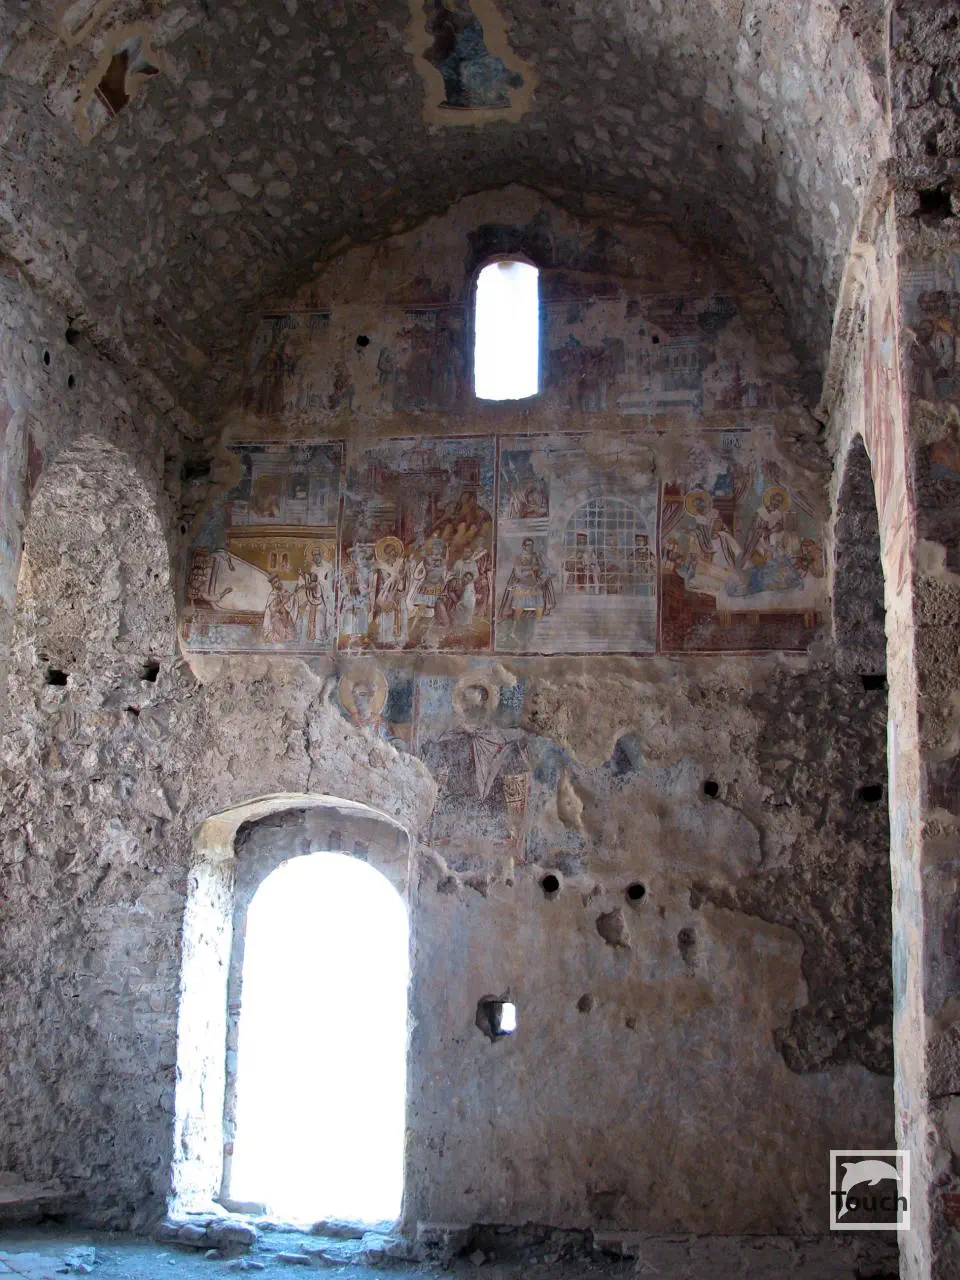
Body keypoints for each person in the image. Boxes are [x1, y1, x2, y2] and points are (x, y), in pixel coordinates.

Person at [497, 538, 555, 622]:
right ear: (523, 546)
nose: (531, 547)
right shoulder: (518, 557)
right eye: (528, 545)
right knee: (520, 589)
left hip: (534, 580)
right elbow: (518, 574)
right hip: (522, 580)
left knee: (542, 586)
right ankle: (520, 615)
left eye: (532, 545)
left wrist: (540, 572)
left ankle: (534, 614)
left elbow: (542, 568)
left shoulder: (536, 556)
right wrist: (530, 571)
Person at [262, 574, 297, 643]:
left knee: (291, 637)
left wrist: (291, 596)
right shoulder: (273, 595)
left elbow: (290, 599)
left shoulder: (282, 592)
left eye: (278, 581)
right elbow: (273, 611)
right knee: (283, 637)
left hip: (286, 620)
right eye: (276, 582)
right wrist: (283, 602)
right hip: (277, 621)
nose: (278, 583)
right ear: (273, 585)